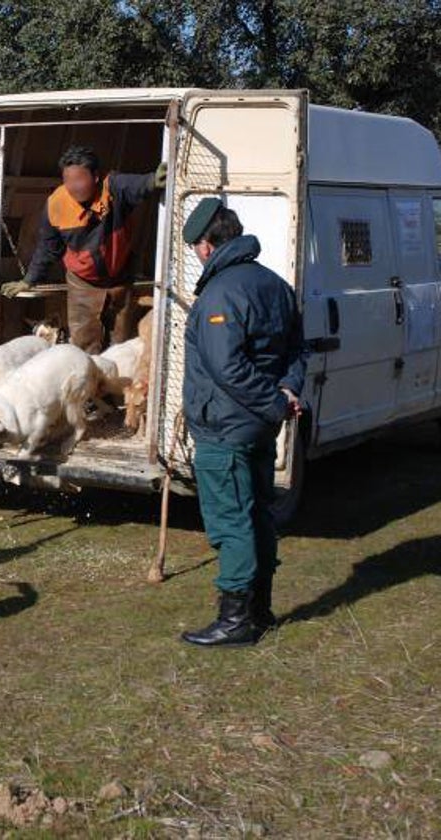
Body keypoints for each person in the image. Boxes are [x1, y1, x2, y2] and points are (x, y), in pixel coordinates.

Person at [178, 198, 307, 647]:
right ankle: (261, 608)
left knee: (231, 521)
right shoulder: (274, 284)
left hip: (226, 428)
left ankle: (235, 621)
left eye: (196, 246)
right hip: (258, 428)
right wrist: (288, 392)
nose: (196, 253)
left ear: (208, 246)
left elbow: (226, 366)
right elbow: (297, 350)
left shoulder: (220, 294)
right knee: (259, 514)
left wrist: (275, 402)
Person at [2, 145, 166, 354]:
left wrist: (152, 181)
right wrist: (28, 280)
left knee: (120, 341)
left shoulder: (113, 186)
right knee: (84, 343)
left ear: (95, 177)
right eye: (67, 180)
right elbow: (47, 247)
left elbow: (135, 185)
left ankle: (114, 383)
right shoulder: (56, 204)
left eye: (79, 179)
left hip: (120, 277)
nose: (73, 186)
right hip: (82, 281)